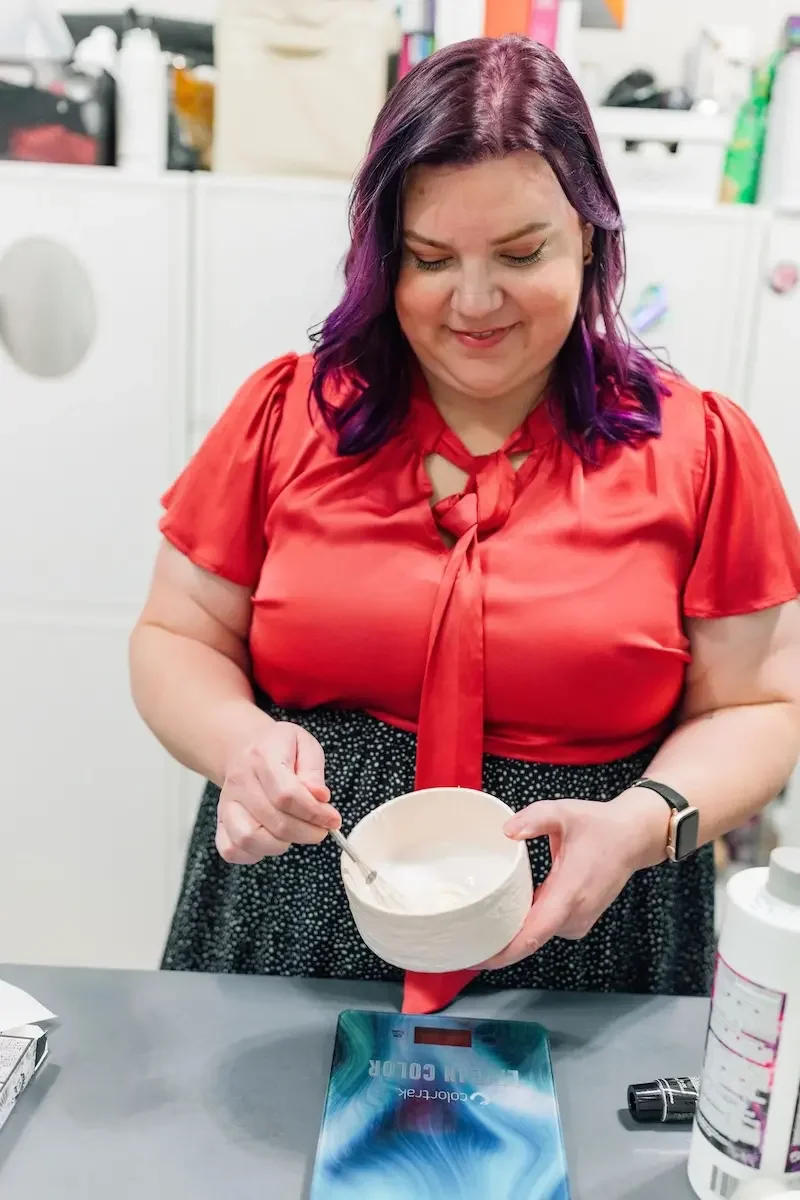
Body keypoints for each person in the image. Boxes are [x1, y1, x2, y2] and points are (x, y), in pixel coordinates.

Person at [130, 35, 800, 1016]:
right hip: (299, 899)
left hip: (586, 916)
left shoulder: (699, 451)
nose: (474, 302)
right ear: (379, 252)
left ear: (590, 237)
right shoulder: (286, 414)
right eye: (430, 259)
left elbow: (757, 709)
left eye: (522, 253)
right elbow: (175, 636)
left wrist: (642, 822)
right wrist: (240, 743)